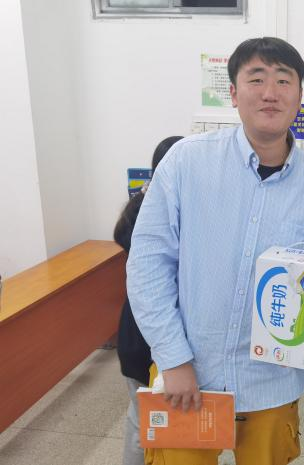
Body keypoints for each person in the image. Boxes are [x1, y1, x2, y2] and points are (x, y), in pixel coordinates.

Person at [126, 37, 304, 465]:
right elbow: (148, 265)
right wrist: (173, 359)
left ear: (300, 95)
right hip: (189, 375)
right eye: (256, 79)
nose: (270, 92)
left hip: (273, 381)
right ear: (233, 92)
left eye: (284, 80)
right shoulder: (186, 163)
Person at [113, 135, 183, 465]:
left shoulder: (140, 205)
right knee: (145, 421)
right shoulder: (157, 214)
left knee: (142, 418)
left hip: (138, 337)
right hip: (147, 341)